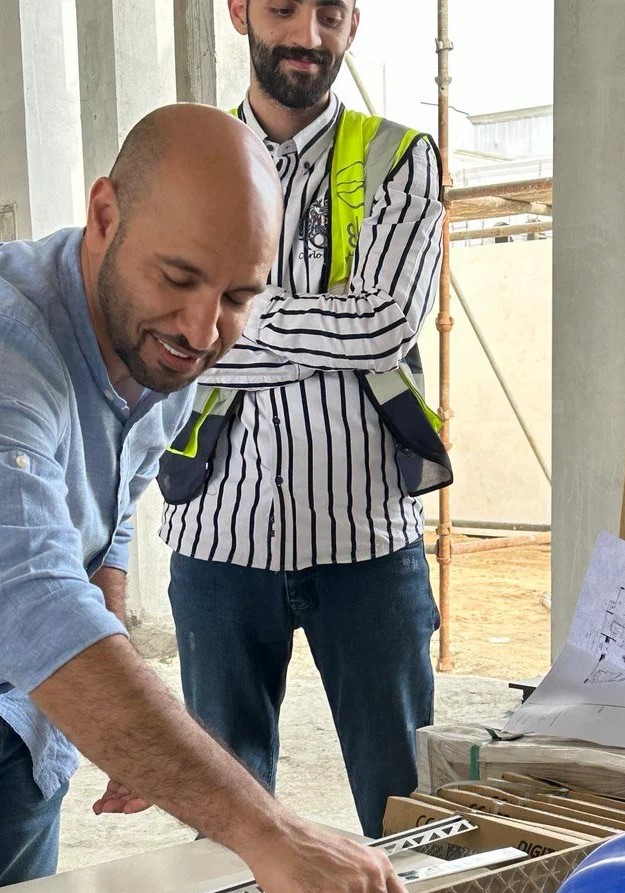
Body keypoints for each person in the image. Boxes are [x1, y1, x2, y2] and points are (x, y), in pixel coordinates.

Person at [0, 102, 411, 893]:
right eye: (179, 278)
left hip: (23, 733)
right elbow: (32, 597)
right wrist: (271, 833)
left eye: (237, 295)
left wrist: (119, 720)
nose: (201, 329)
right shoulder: (14, 350)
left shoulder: (155, 348)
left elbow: (106, 518)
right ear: (105, 215)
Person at [160, 0, 446, 838]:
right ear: (239, 11)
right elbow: (162, 331)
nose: (307, 36)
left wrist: (228, 322)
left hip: (367, 540)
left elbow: (385, 324)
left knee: (407, 813)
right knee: (224, 823)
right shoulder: (183, 164)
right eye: (284, 8)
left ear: (353, 21)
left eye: (329, 13)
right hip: (218, 536)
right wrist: (328, 328)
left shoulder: (398, 157)